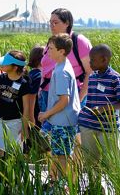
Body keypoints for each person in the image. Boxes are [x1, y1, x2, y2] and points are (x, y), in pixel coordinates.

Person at [39, 8, 92, 166]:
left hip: (69, 98)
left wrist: (79, 99)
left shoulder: (78, 41)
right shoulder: (51, 44)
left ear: (67, 23)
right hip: (49, 96)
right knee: (52, 143)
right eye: (50, 22)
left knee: (74, 141)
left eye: (56, 22)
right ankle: (55, 177)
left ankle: (72, 178)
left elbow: (89, 72)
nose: (52, 25)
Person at [38, 34, 80, 191]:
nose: (48, 51)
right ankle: (54, 183)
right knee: (58, 153)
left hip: (63, 121)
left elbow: (64, 100)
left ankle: (63, 187)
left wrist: (46, 114)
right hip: (61, 120)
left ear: (62, 51)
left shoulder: (62, 71)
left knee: (62, 156)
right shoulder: (61, 65)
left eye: (51, 48)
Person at [78, 44, 120, 165]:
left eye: (92, 60)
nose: (90, 63)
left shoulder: (115, 78)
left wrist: (104, 108)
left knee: (112, 163)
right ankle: (93, 184)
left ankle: (113, 185)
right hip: (89, 125)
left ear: (104, 59)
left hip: (108, 128)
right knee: (90, 162)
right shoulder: (92, 77)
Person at [27, 45, 44, 128]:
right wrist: (31, 117)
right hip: (36, 113)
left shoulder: (31, 73)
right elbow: (32, 97)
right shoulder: (39, 76)